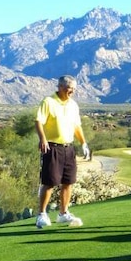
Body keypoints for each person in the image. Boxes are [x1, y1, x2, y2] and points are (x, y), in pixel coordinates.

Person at [35, 75, 90, 229]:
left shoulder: (73, 105)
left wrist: (84, 143)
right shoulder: (48, 102)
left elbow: (77, 126)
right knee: (50, 182)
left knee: (68, 181)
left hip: (69, 148)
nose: (71, 91)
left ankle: (63, 213)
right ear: (60, 87)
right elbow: (39, 121)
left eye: (73, 88)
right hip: (52, 147)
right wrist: (42, 139)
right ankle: (41, 214)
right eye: (68, 88)